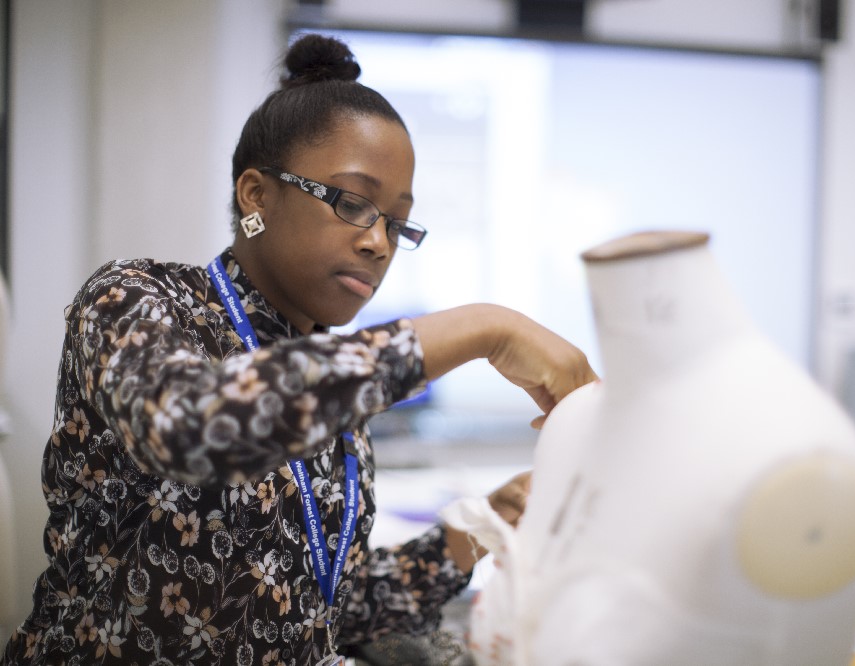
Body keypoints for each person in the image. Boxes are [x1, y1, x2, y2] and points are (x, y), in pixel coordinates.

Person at [1, 33, 596, 666]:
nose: (379, 243)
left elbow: (321, 603)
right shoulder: (134, 299)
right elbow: (189, 426)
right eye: (352, 203)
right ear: (255, 195)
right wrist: (484, 327)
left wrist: (489, 523)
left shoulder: (329, 373)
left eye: (397, 222)